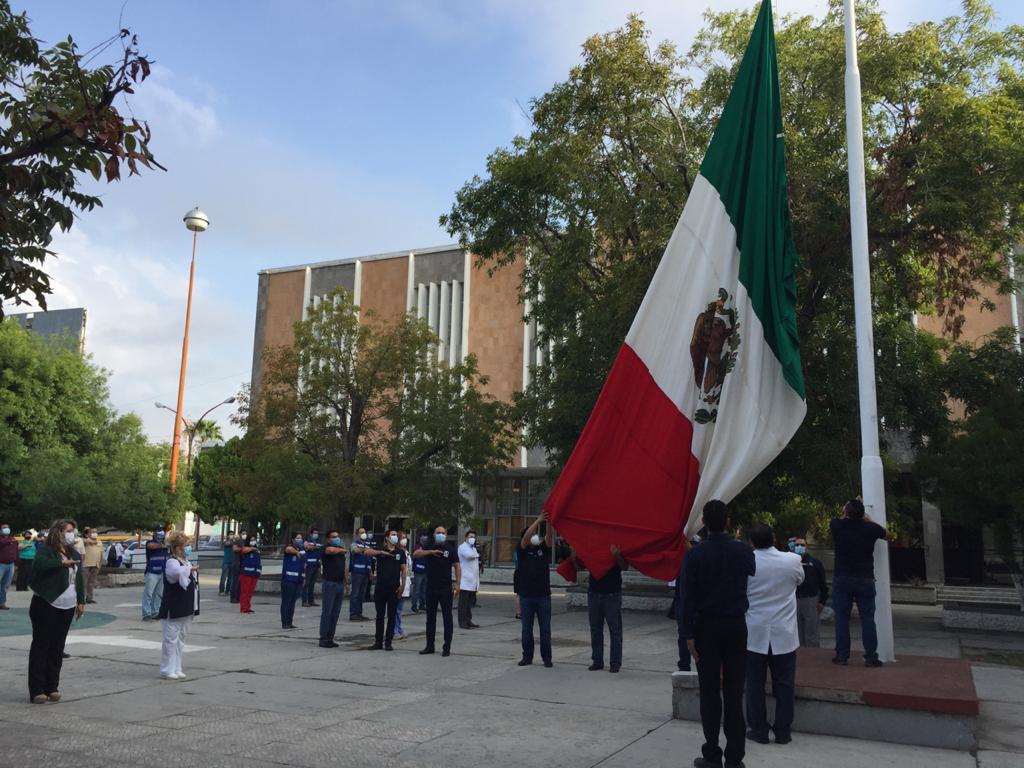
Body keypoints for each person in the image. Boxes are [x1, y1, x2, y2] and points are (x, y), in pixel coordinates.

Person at [682, 500, 756, 768]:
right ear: (728, 521)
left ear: (703, 522)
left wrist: (688, 634)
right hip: (735, 626)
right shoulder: (743, 551)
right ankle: (735, 758)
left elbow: (687, 598)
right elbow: (751, 572)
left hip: (706, 628)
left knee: (710, 692)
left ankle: (712, 754)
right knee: (734, 694)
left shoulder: (695, 555)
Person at [744, 523, 804, 746]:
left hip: (755, 631)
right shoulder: (792, 560)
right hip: (784, 633)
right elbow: (800, 580)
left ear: (751, 542)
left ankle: (759, 729)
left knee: (754, 684)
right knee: (785, 685)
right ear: (774, 538)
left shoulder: (746, 562)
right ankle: (783, 731)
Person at [27, 519, 86, 703]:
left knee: (57, 647)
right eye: (68, 530)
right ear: (58, 532)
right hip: (46, 604)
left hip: (67, 605)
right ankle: (37, 690)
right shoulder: (46, 551)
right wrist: (61, 563)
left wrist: (81, 600)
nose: (71, 534)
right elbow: (39, 565)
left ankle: (52, 686)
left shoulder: (73, 552)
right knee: (41, 646)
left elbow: (79, 578)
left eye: (73, 530)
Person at [831, 498, 887, 667]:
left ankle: (842, 656)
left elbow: (841, 517)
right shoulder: (870, 528)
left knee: (842, 618)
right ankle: (871, 657)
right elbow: (887, 535)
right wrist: (866, 518)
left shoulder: (836, 525)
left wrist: (851, 509)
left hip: (842, 578)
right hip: (865, 579)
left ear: (845, 512)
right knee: (868, 618)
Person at [578, 544, 628, 673]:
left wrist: (617, 555)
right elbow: (580, 565)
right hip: (594, 592)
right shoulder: (593, 543)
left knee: (615, 630)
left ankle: (615, 662)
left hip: (612, 593)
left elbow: (625, 566)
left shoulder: (617, 544)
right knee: (595, 628)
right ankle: (597, 660)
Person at [158, 531, 200, 680]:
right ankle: (166, 669)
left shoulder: (186, 562)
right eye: (186, 545)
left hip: (186, 606)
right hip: (174, 606)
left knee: (181, 639)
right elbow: (175, 574)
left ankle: (177, 667)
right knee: (170, 640)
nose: (189, 548)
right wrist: (190, 569)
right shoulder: (172, 561)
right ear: (178, 548)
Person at [415, 525, 460, 656]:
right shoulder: (429, 546)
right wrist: (430, 552)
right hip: (431, 587)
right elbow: (416, 554)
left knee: (447, 618)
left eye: (443, 533)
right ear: (434, 535)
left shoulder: (450, 549)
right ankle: (430, 646)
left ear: (446, 535)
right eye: (438, 533)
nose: (440, 535)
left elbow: (457, 566)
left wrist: (457, 583)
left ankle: (447, 647)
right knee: (430, 618)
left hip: (445, 588)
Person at [516, 512, 554, 668]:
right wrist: (538, 521)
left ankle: (547, 658)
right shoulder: (522, 550)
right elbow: (525, 539)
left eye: (535, 534)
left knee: (545, 630)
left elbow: (549, 537)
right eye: (532, 533)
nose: (534, 536)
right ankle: (527, 657)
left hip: (543, 596)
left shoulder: (542, 549)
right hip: (527, 596)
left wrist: (549, 522)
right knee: (526, 629)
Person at [367, 530, 407, 651]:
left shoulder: (400, 552)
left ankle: (388, 642)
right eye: (392, 535)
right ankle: (378, 642)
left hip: (394, 588)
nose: (395, 537)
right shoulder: (380, 549)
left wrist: (403, 585)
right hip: (381, 587)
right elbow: (367, 552)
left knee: (391, 616)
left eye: (396, 535)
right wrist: (380, 552)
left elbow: (404, 570)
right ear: (387, 538)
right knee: (380, 615)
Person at [793, 537, 828, 647]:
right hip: (794, 601)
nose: (799, 547)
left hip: (811, 600)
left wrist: (822, 601)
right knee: (796, 633)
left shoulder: (815, 563)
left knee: (812, 633)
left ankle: (813, 655)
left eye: (802, 545)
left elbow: (823, 584)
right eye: (797, 545)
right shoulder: (790, 563)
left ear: (807, 547)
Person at [318, 530, 347, 648]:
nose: (337, 538)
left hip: (340, 583)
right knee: (327, 611)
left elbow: (344, 567)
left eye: (338, 536)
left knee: (335, 612)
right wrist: (341, 550)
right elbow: (330, 551)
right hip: (330, 583)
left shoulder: (340, 550)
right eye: (334, 537)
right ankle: (323, 638)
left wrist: (346, 581)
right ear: (329, 539)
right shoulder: (325, 548)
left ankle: (330, 637)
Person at [142, 528, 169, 621]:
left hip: (162, 572)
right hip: (152, 572)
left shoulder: (166, 544)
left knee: (158, 594)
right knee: (148, 593)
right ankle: (146, 614)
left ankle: (155, 612)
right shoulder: (150, 543)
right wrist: (163, 544)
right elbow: (152, 546)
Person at [280, 532, 306, 629]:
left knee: (292, 602)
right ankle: (285, 622)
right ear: (293, 539)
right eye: (298, 538)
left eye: (301, 538)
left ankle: (289, 622)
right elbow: (288, 549)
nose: (300, 540)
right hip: (288, 580)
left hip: (298, 580)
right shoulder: (290, 548)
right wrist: (297, 552)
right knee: (286, 601)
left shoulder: (302, 550)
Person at [457, 530, 481, 629]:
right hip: (465, 581)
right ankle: (462, 622)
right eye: (470, 537)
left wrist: (477, 553)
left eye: (474, 537)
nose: (472, 539)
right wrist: (478, 554)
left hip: (473, 581)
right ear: (466, 538)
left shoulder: (473, 548)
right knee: (463, 604)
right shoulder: (462, 547)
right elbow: (469, 556)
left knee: (469, 604)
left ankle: (468, 620)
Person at [394, 533, 411, 640]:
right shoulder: (397, 553)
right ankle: (394, 630)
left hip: (406, 582)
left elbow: (409, 569)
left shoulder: (407, 553)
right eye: (403, 538)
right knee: (395, 609)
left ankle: (399, 628)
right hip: (399, 582)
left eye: (405, 538)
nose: (405, 540)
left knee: (399, 609)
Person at [239, 534, 261, 613]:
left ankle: (247, 607)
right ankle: (243, 608)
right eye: (251, 540)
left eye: (254, 540)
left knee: (250, 592)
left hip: (254, 573)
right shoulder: (246, 548)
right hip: (246, 574)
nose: (253, 541)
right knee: (245, 591)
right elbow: (244, 550)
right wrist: (252, 548)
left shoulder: (257, 551)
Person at [302, 527, 322, 607]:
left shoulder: (318, 542)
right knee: (307, 583)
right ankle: (304, 601)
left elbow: (320, 548)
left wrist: (314, 546)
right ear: (311, 534)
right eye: (314, 533)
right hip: (309, 565)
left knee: (312, 584)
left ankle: (311, 601)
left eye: (317, 533)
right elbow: (307, 547)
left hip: (316, 565)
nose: (316, 534)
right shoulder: (307, 541)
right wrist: (316, 546)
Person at [82, 528, 102, 604]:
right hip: (85, 564)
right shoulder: (85, 541)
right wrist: (90, 541)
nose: (95, 533)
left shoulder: (99, 542)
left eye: (96, 532)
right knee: (84, 582)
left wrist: (100, 565)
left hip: (96, 564)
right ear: (88, 534)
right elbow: (81, 540)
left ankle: (89, 598)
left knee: (91, 583)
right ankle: (82, 598)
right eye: (93, 532)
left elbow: (101, 553)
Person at [411, 534, 429, 613]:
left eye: (426, 539)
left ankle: (422, 605)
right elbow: (415, 556)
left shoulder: (427, 547)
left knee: (423, 590)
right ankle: (414, 605)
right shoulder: (417, 547)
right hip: (418, 571)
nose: (425, 540)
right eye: (423, 539)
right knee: (417, 589)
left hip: (425, 570)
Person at [0, 522, 17, 609]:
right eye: (4, 528)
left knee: (5, 585)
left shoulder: (12, 539)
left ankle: (2, 603)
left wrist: (16, 562)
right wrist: (10, 541)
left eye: (7, 527)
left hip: (11, 564)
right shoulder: (8, 540)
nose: (6, 529)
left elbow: (16, 551)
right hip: (1, 564)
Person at [230, 529, 247, 604]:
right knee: (235, 581)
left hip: (243, 564)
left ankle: (238, 597)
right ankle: (233, 597)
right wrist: (243, 548)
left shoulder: (246, 542)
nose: (244, 535)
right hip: (236, 563)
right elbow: (234, 549)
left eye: (245, 534)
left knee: (241, 581)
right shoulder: (237, 541)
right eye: (243, 533)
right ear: (240, 534)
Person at [218, 531, 235, 596]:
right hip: (226, 562)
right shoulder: (225, 542)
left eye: (232, 534)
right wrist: (234, 542)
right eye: (230, 534)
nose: (232, 535)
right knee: (223, 578)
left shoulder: (234, 542)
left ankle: (228, 590)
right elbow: (228, 544)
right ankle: (221, 591)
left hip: (232, 562)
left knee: (230, 578)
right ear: (228, 536)